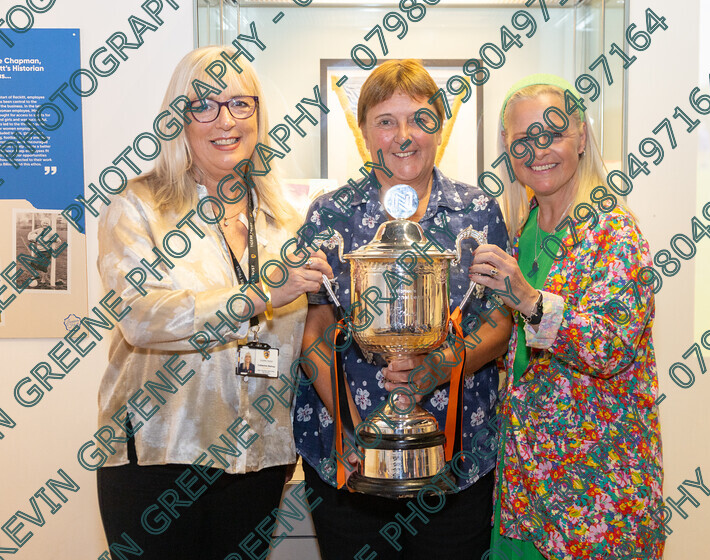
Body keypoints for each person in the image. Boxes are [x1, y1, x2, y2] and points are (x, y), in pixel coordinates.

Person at [94, 46, 332, 560]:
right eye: (204, 105)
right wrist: (259, 295)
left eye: (239, 104)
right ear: (180, 117)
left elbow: (311, 340)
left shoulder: (286, 222)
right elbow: (139, 316)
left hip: (259, 458)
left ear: (257, 114)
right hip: (159, 454)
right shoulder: (140, 205)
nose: (225, 120)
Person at [294, 59, 512, 559]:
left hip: (457, 459)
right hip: (347, 461)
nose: (404, 135)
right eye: (386, 121)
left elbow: (498, 321)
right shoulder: (331, 214)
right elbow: (316, 331)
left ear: (440, 126)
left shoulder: (477, 211)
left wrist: (439, 366)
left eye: (419, 118)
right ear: (364, 132)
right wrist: (353, 432)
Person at [469, 75, 665, 559]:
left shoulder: (612, 230)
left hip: (596, 490)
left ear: (581, 137)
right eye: (522, 140)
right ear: (507, 151)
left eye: (553, 133)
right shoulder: (523, 229)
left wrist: (531, 301)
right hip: (526, 484)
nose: (539, 150)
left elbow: (611, 347)